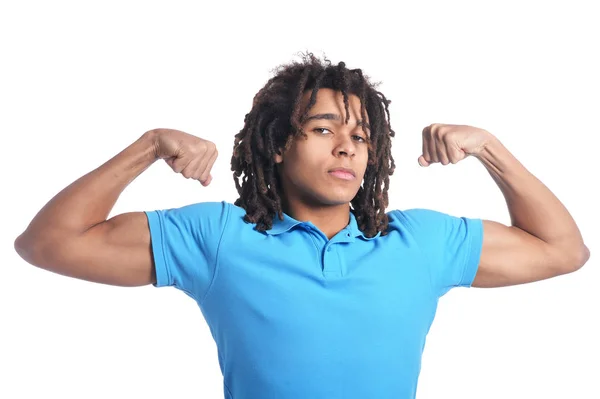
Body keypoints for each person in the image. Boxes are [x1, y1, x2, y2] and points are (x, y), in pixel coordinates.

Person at [14, 53, 590, 399]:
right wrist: (148, 147)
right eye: (321, 129)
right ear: (277, 145)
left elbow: (563, 250)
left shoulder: (420, 242)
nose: (346, 146)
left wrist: (491, 148)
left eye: (361, 136)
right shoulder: (218, 238)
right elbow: (49, 242)